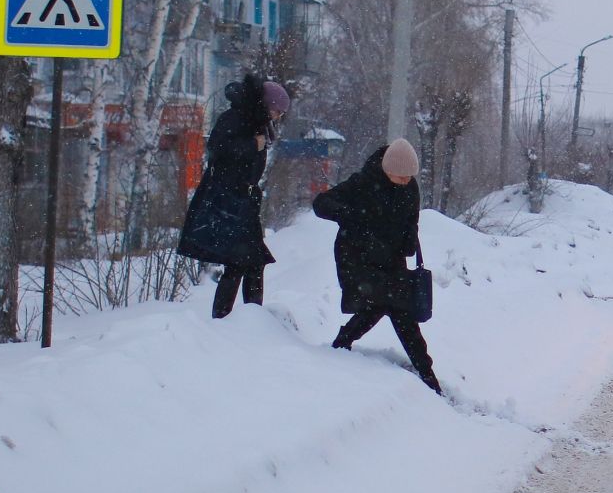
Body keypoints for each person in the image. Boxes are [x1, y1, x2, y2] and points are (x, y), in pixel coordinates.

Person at [312, 139, 440, 394]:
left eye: (409, 177)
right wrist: (354, 217)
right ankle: (426, 377)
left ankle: (427, 375)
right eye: (401, 177)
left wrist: (409, 242)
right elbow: (322, 204)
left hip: (391, 258)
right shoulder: (363, 182)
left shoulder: (409, 187)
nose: (406, 181)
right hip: (357, 257)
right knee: (386, 305)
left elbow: (412, 219)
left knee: (397, 310)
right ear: (388, 169)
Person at [178, 75, 288, 318]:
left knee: (250, 262)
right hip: (230, 200)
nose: (278, 116)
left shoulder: (254, 122)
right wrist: (252, 145)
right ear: (265, 104)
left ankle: (248, 318)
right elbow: (218, 149)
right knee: (241, 261)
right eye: (277, 110)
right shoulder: (237, 118)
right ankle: (232, 319)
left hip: (243, 201)